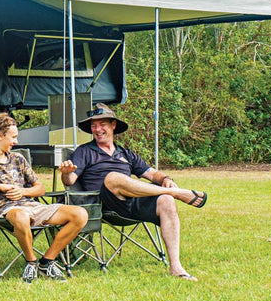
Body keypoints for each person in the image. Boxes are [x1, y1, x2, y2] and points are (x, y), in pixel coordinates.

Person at [58, 103, 207, 281]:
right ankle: (178, 193)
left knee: (166, 201)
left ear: (113, 125)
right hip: (103, 204)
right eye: (93, 125)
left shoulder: (126, 153)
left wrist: (166, 179)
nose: (97, 129)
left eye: (102, 124)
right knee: (113, 177)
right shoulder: (84, 151)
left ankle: (176, 267)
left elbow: (152, 174)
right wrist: (66, 174)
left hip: (130, 203)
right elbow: (70, 181)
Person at [0, 113, 88, 283]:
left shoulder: (18, 159)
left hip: (30, 205)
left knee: (80, 214)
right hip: (4, 210)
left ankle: (47, 261)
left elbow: (40, 188)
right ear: (0, 135)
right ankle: (31, 262)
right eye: (13, 137)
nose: (16, 142)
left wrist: (22, 192)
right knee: (21, 216)